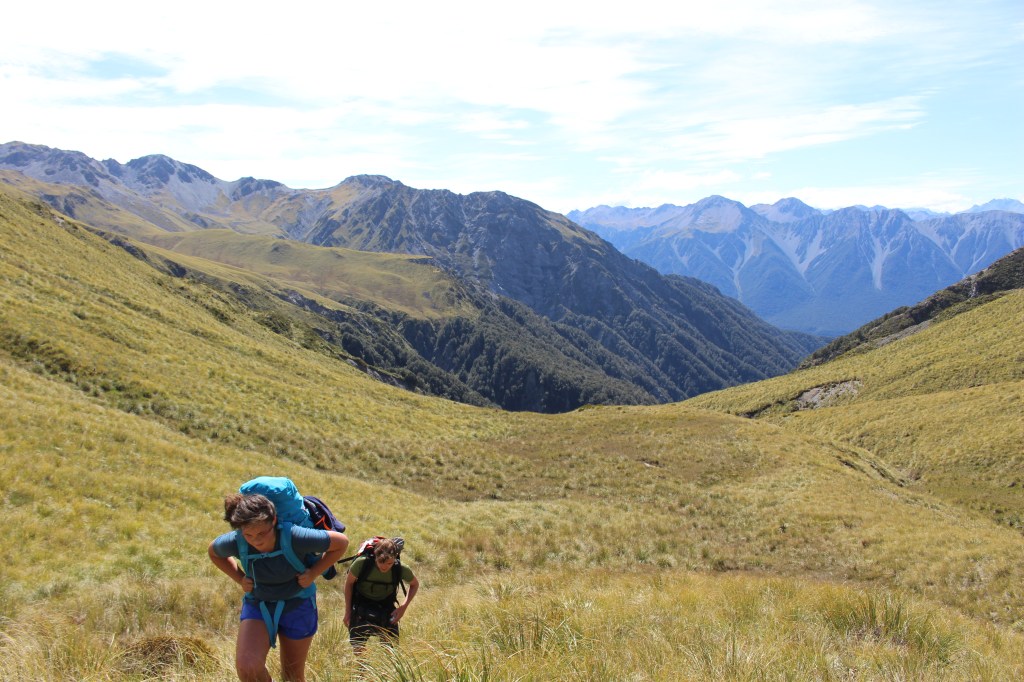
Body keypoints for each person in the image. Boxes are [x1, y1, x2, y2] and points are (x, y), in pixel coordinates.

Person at [208, 492, 349, 682]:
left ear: (273, 520)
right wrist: (239, 578)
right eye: (248, 535)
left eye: (262, 533)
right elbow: (214, 552)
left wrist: (313, 573)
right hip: (258, 604)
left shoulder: (293, 536)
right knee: (247, 668)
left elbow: (341, 543)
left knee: (292, 676)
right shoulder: (237, 540)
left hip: (298, 604)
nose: (256, 540)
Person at [343, 538, 419, 653]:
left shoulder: (400, 568)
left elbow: (414, 584)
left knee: (391, 648)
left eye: (389, 563)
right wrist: (348, 611)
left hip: (386, 605)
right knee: (357, 646)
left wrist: (403, 607)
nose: (384, 567)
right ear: (375, 556)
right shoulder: (362, 563)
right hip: (361, 603)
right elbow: (349, 584)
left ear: (395, 558)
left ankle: (386, 663)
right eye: (380, 562)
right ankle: (362, 663)